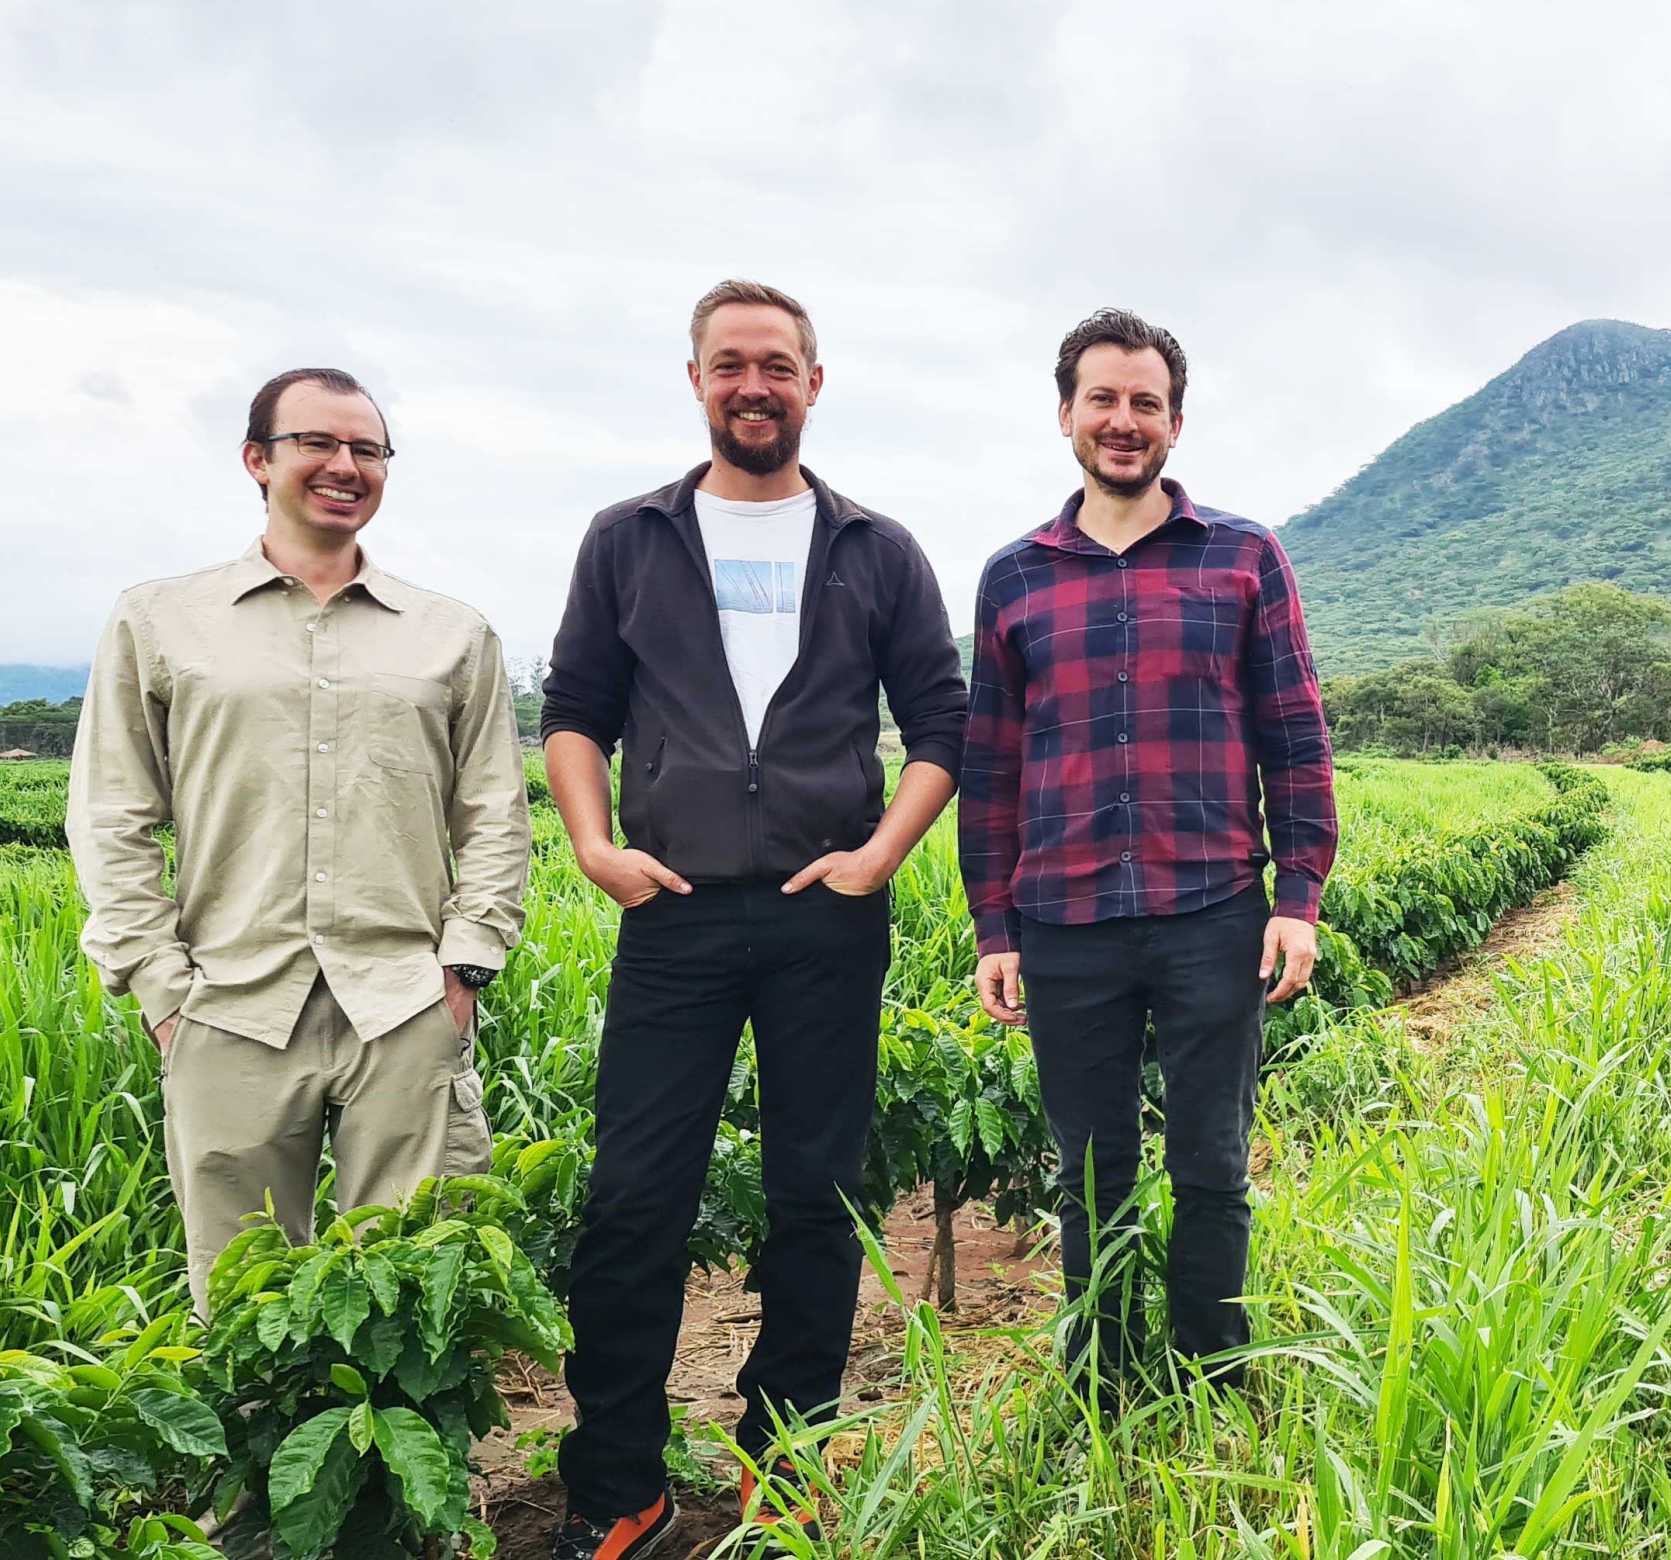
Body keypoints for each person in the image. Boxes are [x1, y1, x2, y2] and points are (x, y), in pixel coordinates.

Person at [539, 280, 968, 1560]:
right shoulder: (629, 538)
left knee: (816, 1196)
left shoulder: (875, 548)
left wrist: (881, 854)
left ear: (813, 383)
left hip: (820, 919)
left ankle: (785, 1463)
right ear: (696, 380)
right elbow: (574, 707)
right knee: (634, 1199)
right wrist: (591, 843)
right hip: (669, 916)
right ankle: (619, 1483)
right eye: (730, 364)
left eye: (777, 364)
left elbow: (941, 724)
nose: (754, 385)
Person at [68, 367, 529, 1316]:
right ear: (257, 460)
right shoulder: (161, 620)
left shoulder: (452, 634)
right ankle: (256, 1472)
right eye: (316, 443)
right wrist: (161, 988)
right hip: (227, 1003)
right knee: (243, 1303)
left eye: (367, 449)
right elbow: (112, 813)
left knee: (409, 1292)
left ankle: (392, 1470)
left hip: (402, 1004)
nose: (343, 466)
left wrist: (464, 970)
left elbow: (493, 815)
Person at [963, 308, 1338, 1400]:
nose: (1122, 422)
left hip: (1212, 910)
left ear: (1175, 421)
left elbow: (1294, 735)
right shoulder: (1014, 576)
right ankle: (1102, 1389)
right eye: (1102, 400)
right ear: (1066, 414)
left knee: (1212, 1167)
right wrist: (995, 924)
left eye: (1145, 404)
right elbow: (990, 765)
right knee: (1090, 1178)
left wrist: (1297, 895)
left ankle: (1215, 1380)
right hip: (1065, 921)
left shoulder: (1242, 556)